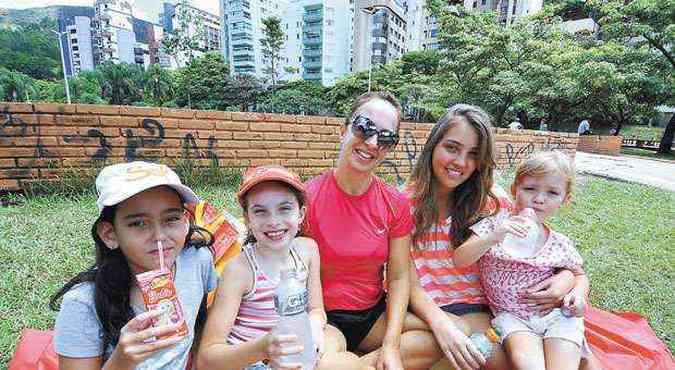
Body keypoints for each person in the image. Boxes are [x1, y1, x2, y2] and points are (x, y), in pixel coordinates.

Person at [406, 104, 598, 370]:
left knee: (583, 360)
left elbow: (546, 252)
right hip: (445, 308)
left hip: (492, 307)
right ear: (433, 145)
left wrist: (565, 282)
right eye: (451, 147)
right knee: (511, 360)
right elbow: (404, 281)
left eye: (473, 154)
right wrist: (441, 324)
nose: (460, 162)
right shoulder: (404, 204)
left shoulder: (494, 201)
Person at [304, 91, 438, 369]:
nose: (373, 142)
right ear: (343, 129)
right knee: (321, 364)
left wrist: (391, 345)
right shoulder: (305, 198)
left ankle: (358, 364)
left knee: (448, 335)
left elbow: (399, 276)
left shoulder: (395, 203)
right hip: (327, 319)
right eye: (364, 127)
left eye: (387, 138)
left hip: (373, 316)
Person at [50, 161, 218, 369]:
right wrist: (121, 360)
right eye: (139, 223)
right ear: (110, 235)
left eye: (171, 218)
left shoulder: (197, 260)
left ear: (184, 222)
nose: (159, 237)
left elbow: (202, 319)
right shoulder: (82, 303)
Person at [197, 165, 362, 370]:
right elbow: (206, 358)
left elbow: (316, 308)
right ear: (247, 219)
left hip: (293, 348)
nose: (273, 222)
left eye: (284, 208)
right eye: (260, 212)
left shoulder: (308, 250)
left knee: (336, 340)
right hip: (254, 361)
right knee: (349, 364)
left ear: (301, 214)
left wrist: (314, 325)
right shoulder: (240, 270)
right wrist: (264, 348)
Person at [454, 151, 587, 370]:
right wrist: (493, 237)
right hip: (513, 319)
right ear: (515, 189)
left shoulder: (559, 242)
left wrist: (578, 296)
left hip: (557, 316)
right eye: (530, 189)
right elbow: (460, 258)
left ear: (565, 199)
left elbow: (579, 274)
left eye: (552, 193)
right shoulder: (494, 225)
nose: (539, 199)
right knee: (527, 365)